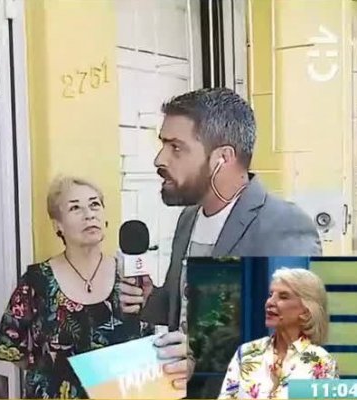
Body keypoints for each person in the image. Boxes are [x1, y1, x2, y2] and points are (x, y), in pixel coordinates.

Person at [119, 88, 323, 391]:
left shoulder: (283, 226)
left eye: (176, 148)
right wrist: (151, 299)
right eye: (163, 144)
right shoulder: (188, 218)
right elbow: (190, 309)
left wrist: (203, 357)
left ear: (222, 158)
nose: (159, 159)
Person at [0, 176, 147, 399]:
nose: (89, 214)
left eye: (95, 204)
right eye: (75, 208)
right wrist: (50, 374)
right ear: (58, 225)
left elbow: (146, 344)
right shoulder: (38, 281)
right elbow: (11, 345)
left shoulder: (129, 279)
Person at [219, 268, 338, 399]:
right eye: (271, 295)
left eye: (283, 297)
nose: (270, 302)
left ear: (306, 309)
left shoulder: (321, 362)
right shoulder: (246, 353)